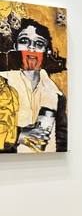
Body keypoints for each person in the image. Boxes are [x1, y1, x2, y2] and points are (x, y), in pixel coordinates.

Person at [0, 18, 67, 152]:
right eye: (24, 41)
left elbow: (62, 139)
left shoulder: (56, 94)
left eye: (39, 43)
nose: (31, 47)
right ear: (15, 47)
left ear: (47, 51)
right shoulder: (3, 84)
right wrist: (19, 135)